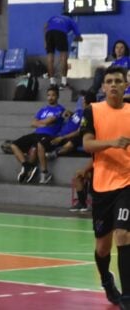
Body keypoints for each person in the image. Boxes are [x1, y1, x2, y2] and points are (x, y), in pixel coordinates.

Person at [80, 65, 130, 309]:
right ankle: (107, 281)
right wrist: (112, 143)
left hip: (127, 183)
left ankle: (128, 297)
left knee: (124, 233)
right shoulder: (93, 111)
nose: (113, 85)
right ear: (103, 87)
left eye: (118, 81)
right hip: (102, 185)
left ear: (125, 85)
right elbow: (87, 145)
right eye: (109, 81)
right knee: (103, 247)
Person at [36, 90, 96, 184]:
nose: (82, 102)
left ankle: (55, 153)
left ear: (87, 102)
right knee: (41, 144)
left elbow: (79, 131)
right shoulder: (79, 111)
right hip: (60, 135)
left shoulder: (88, 114)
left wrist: (62, 138)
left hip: (70, 137)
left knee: (73, 141)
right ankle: (44, 172)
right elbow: (76, 118)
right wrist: (71, 114)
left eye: (83, 100)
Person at [10, 86, 65, 183]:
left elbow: (50, 120)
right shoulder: (42, 109)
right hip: (36, 134)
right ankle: (26, 166)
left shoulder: (60, 109)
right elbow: (33, 123)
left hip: (50, 136)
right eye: (48, 95)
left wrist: (41, 122)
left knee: (39, 144)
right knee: (13, 145)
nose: (50, 97)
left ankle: (45, 173)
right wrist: (44, 123)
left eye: (53, 95)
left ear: (57, 96)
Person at [44, 14, 83, 88]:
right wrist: (79, 39)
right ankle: (63, 82)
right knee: (63, 58)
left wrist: (45, 42)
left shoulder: (53, 17)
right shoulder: (71, 21)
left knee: (50, 58)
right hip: (60, 33)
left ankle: (52, 82)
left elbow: (45, 26)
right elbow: (78, 36)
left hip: (49, 33)